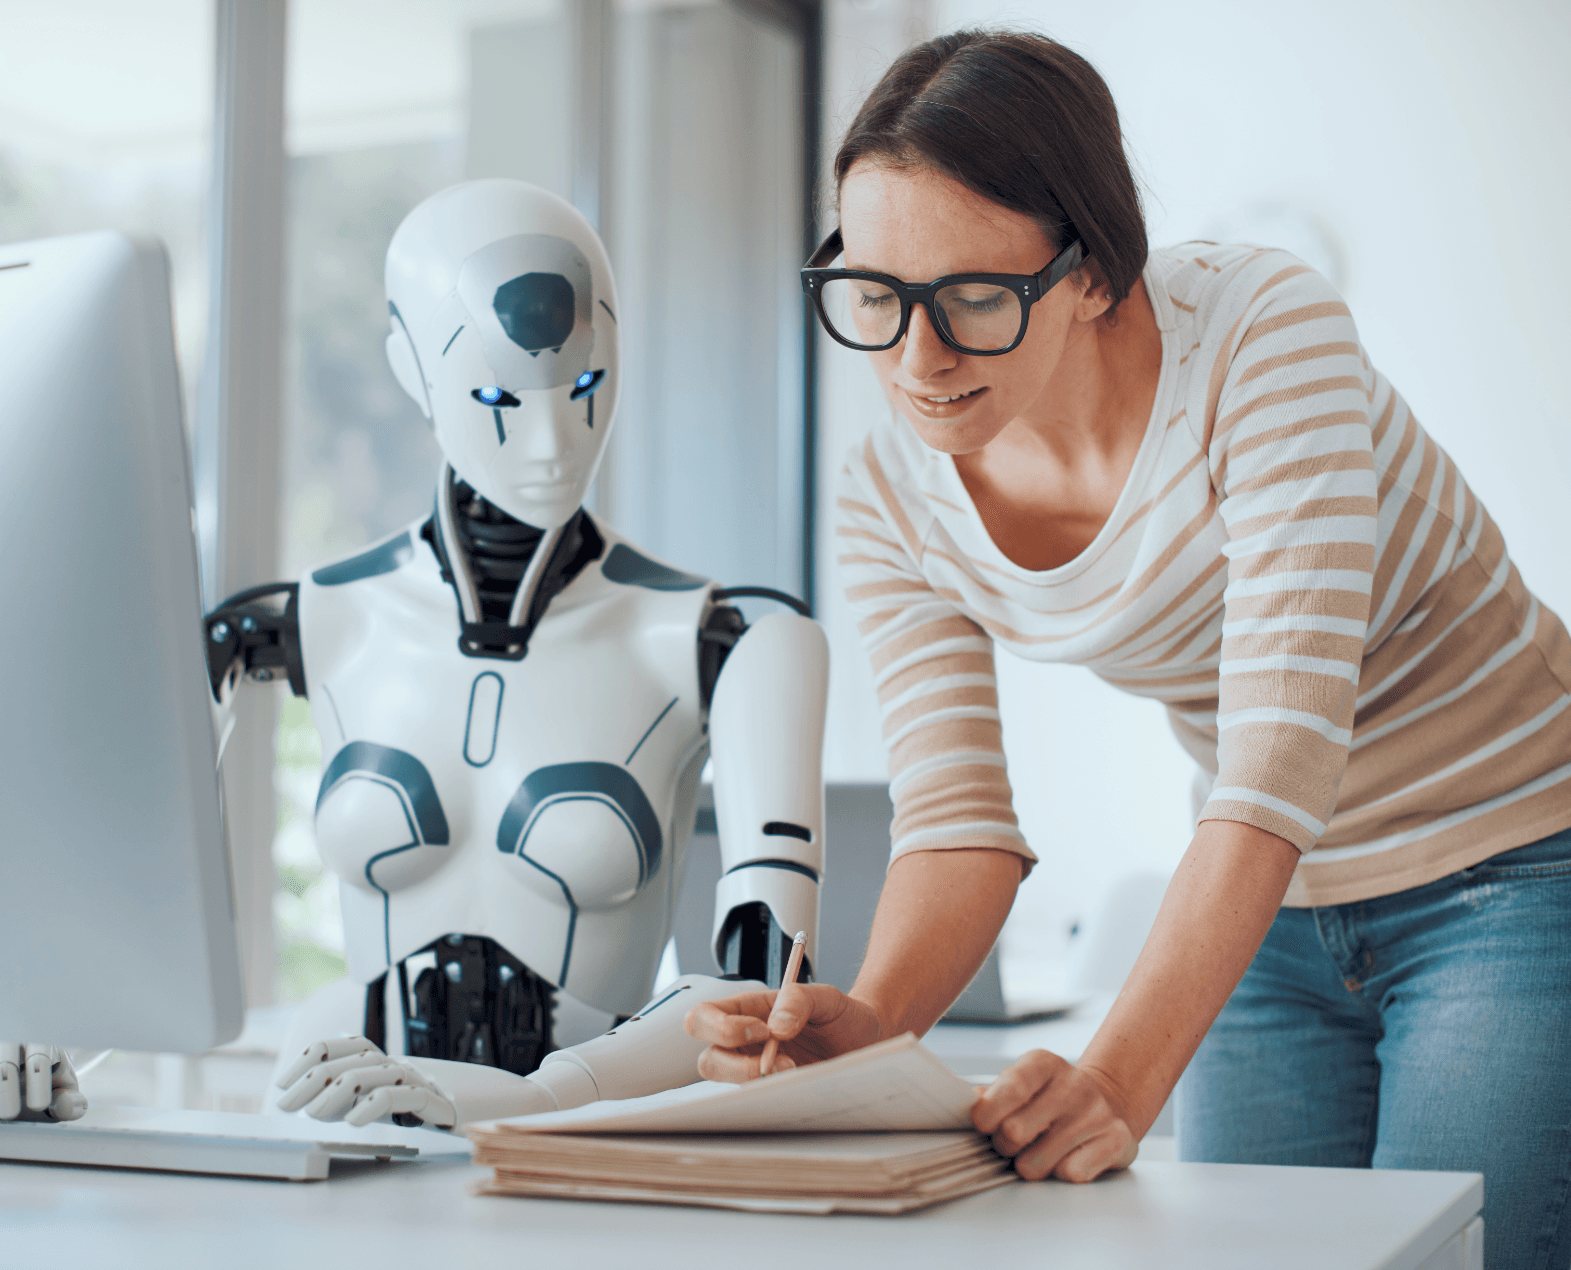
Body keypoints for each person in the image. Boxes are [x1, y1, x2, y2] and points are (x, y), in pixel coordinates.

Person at [685, 29, 1571, 1267]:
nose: (914, 361)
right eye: (875, 295)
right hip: (1272, 911)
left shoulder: (1263, 335)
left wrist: (1117, 1075)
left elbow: (1277, 752)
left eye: (975, 300)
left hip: (1513, 864)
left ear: (1094, 271)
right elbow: (957, 825)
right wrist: (871, 1028)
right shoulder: (890, 492)